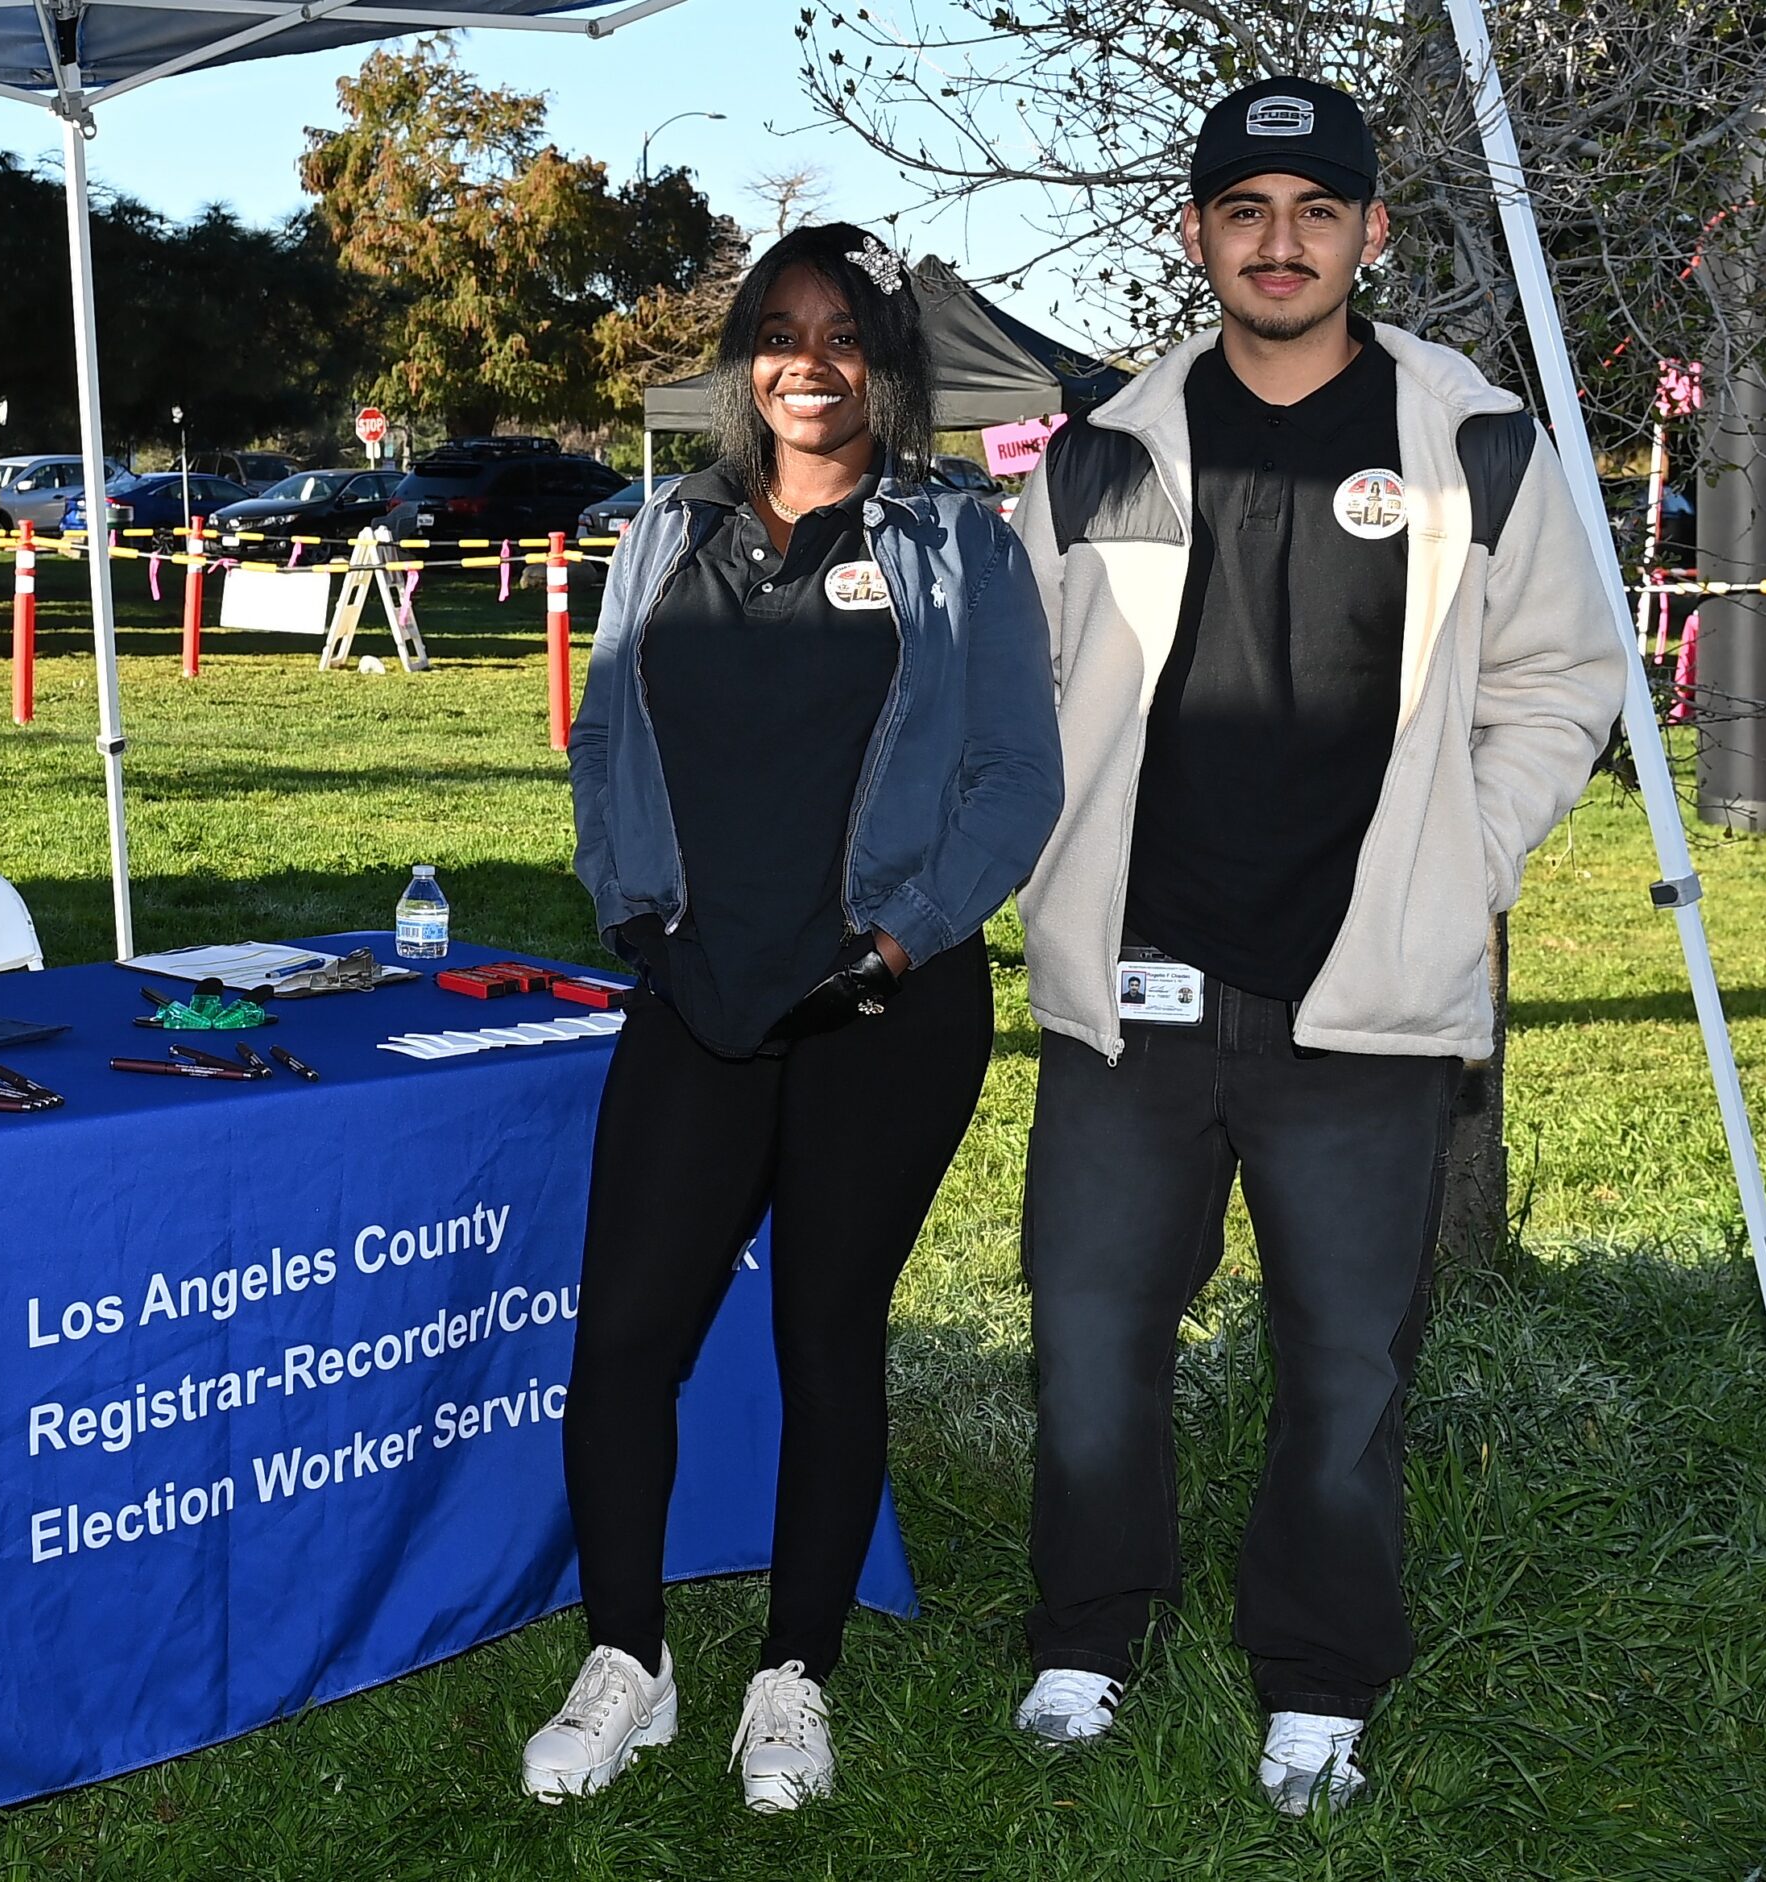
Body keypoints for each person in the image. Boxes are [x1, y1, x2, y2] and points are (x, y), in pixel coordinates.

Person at [1007, 77, 1621, 1814]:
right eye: (1247, 211)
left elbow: (1562, 683)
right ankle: (1087, 1636)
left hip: (1362, 994)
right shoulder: (1102, 448)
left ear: (1369, 233)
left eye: (1316, 211)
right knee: (1091, 1340)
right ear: (1197, 236)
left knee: (1346, 1365)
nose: (1281, 243)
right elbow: (1018, 695)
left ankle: (1321, 1675)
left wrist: (1461, 864)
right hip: (1133, 988)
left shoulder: (1473, 443)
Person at [539, 222, 1064, 1812]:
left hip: (879, 1005)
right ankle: (627, 1656)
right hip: (697, 991)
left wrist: (901, 939)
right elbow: (604, 737)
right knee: (624, 1340)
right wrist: (631, 904)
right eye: (779, 330)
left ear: (885, 364)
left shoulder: (958, 541)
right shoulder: (667, 529)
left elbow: (1014, 779)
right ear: (744, 357)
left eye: (842, 334)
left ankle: (793, 1674)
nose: (808, 363)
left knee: (824, 1335)